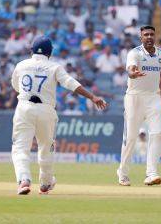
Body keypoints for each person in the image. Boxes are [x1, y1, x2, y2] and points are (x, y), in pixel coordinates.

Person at [11, 36, 107, 195]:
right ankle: (45, 183)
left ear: (31, 50)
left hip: (24, 108)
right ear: (50, 52)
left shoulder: (21, 65)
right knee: (46, 148)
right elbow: (71, 84)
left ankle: (24, 180)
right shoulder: (54, 67)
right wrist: (92, 97)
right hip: (46, 110)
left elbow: (16, 87)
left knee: (20, 147)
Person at [117, 25, 161, 186]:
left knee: (158, 133)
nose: (149, 37)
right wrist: (133, 74)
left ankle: (151, 173)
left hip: (153, 97)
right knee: (131, 137)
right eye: (146, 35)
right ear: (141, 38)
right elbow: (131, 70)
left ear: (155, 36)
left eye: (151, 34)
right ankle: (123, 172)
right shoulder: (135, 53)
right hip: (134, 97)